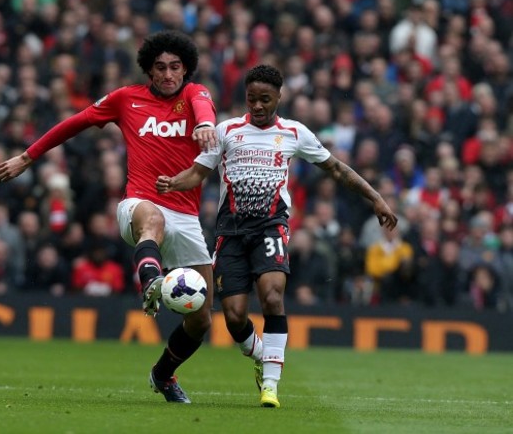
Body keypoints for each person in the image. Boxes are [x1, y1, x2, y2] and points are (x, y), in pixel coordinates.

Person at [0, 30, 217, 403]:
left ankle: (163, 374)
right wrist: (26, 157)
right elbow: (73, 123)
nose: (167, 74)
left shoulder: (195, 94)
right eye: (159, 67)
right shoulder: (125, 99)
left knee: (201, 319)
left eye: (175, 67)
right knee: (153, 220)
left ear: (185, 69)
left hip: (187, 214)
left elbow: (205, 110)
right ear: (148, 70)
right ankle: (150, 278)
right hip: (140, 203)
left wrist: (206, 124)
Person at [156, 64, 398, 408]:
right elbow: (198, 173)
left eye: (265, 99)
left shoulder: (295, 133)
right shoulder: (226, 131)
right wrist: (171, 183)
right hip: (231, 232)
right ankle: (260, 354)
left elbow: (337, 169)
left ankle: (270, 384)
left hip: (271, 227)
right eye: (252, 98)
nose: (257, 105)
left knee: (272, 297)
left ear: (279, 98)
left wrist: (376, 198)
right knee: (235, 316)